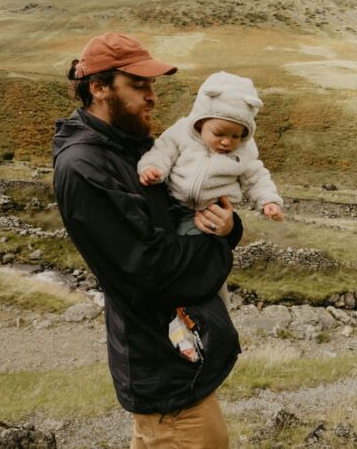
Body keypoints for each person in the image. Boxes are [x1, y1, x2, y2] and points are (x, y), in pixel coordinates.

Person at [52, 32, 243, 448]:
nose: (152, 97)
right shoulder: (85, 165)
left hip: (178, 360)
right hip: (164, 367)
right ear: (99, 88)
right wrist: (217, 247)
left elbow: (185, 212)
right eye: (139, 86)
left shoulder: (134, 149)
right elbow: (149, 268)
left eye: (152, 85)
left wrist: (229, 227)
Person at [137, 71, 284, 306]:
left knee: (194, 258)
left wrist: (269, 201)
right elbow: (163, 151)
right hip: (170, 201)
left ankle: (197, 305)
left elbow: (256, 177)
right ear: (201, 120)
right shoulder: (182, 132)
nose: (227, 142)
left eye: (237, 135)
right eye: (219, 133)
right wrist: (153, 168)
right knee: (165, 249)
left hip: (206, 214)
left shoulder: (244, 152)